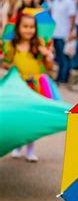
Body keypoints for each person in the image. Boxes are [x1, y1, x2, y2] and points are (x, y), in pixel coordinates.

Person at [3, 12, 54, 162]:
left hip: (36, 86)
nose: (28, 30)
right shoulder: (12, 45)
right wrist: (8, 64)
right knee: (19, 118)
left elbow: (48, 67)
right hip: (18, 86)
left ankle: (30, 150)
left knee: (32, 119)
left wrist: (47, 56)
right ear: (18, 28)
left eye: (32, 27)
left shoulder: (39, 45)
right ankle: (18, 146)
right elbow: (6, 63)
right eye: (25, 26)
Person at [51, 0, 76, 83]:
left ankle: (64, 78)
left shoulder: (69, 1)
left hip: (64, 33)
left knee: (65, 57)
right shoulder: (55, 1)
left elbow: (73, 17)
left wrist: (71, 31)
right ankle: (60, 76)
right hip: (55, 33)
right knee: (59, 58)